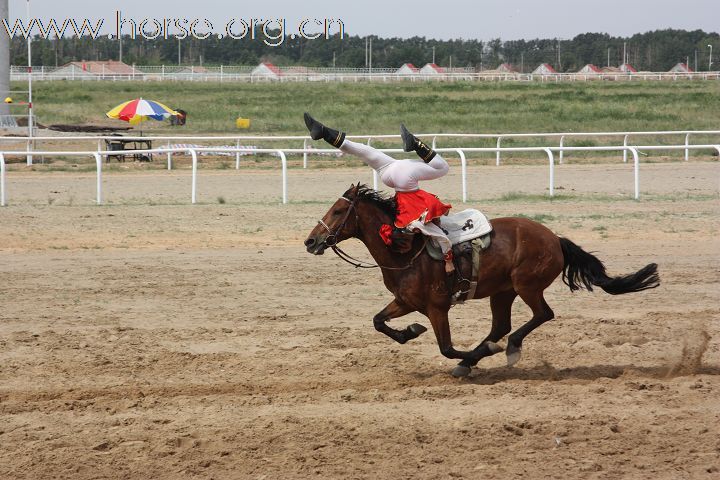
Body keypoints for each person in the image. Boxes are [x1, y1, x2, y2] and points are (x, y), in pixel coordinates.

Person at [304, 113, 455, 274]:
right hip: (402, 179)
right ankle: (415, 143)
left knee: (365, 151)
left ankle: (324, 132)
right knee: (443, 167)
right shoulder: (417, 210)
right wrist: (449, 261)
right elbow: (442, 237)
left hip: (389, 171)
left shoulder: (407, 205)